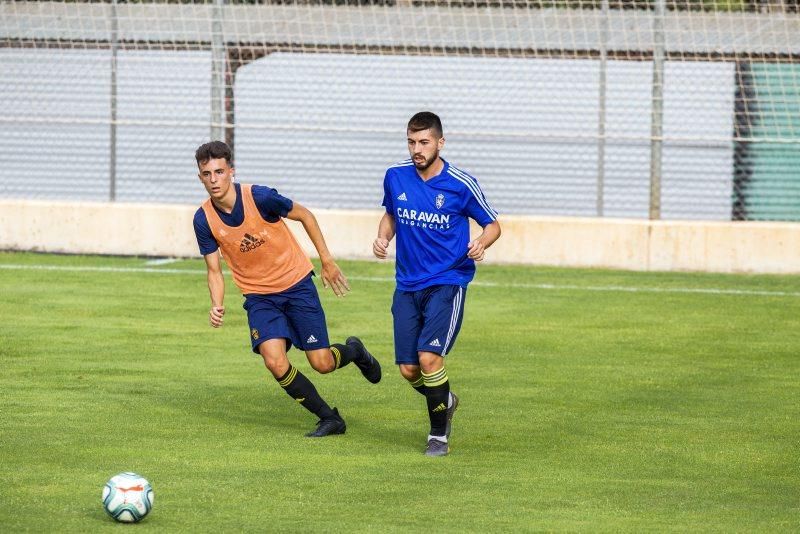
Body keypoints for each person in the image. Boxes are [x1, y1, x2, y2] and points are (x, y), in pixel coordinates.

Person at [193, 140, 381, 438]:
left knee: (321, 362)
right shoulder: (204, 219)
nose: (213, 180)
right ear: (200, 176)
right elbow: (213, 269)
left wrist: (327, 261)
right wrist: (217, 303)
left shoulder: (260, 197)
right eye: (207, 174)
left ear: (231, 171)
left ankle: (356, 352)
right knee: (274, 360)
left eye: (219, 172)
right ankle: (329, 418)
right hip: (259, 297)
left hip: (296, 286)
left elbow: (305, 215)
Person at [373, 112, 501, 457]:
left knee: (429, 358)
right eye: (412, 142)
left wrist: (481, 243)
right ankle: (445, 399)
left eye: (424, 142)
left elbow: (493, 225)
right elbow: (391, 215)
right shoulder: (395, 176)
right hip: (407, 285)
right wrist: (383, 237)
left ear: (440, 143)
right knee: (408, 369)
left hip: (448, 281)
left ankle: (438, 435)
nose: (417, 149)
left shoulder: (461, 183)